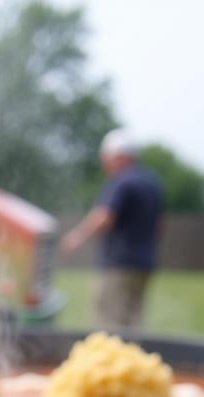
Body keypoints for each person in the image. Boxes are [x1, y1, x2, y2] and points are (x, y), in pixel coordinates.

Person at [61, 129, 164, 330]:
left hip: (118, 265)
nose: (105, 165)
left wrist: (77, 236)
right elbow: (160, 225)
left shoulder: (122, 181)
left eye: (107, 159)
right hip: (145, 264)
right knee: (134, 324)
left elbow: (105, 215)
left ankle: (111, 362)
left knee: (108, 325)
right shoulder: (153, 183)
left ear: (120, 156)